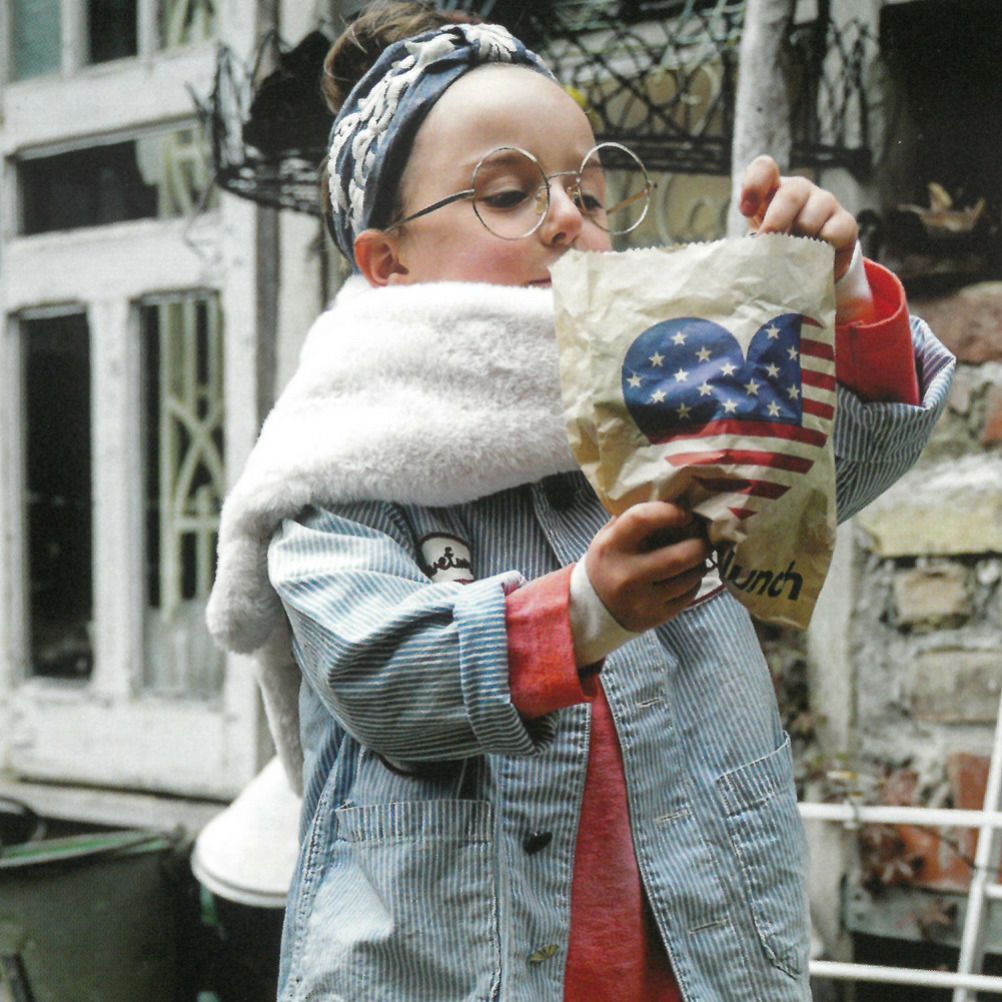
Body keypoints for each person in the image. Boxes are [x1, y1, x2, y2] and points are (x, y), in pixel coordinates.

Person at [206, 3, 955, 1000]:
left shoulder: (662, 393)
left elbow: (823, 475)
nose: (567, 217)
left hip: (698, 960)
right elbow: (373, 669)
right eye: (509, 194)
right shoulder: (344, 451)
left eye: (590, 193)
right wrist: (583, 611)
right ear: (387, 263)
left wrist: (844, 300)